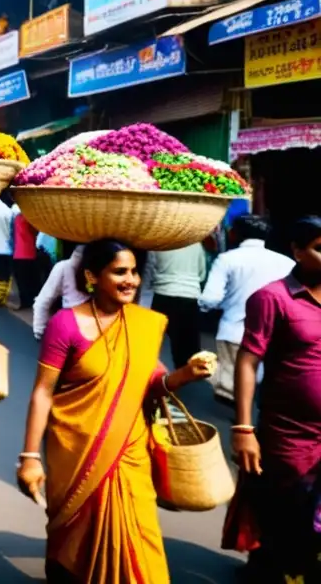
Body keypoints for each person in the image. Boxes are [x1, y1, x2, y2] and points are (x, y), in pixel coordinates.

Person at [17, 239, 213, 583]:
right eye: (120, 271)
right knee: (74, 546)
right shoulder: (66, 324)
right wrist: (30, 456)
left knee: (140, 542)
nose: (131, 280)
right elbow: (43, 392)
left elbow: (152, 382)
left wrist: (185, 374)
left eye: (134, 271)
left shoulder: (142, 324)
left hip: (129, 452)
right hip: (73, 451)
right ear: (92, 276)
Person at [232, 216, 321, 583]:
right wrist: (243, 428)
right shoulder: (273, 298)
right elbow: (248, 360)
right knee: (286, 514)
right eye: (319, 247)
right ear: (297, 251)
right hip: (289, 435)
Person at [199, 215, 294, 402]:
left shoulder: (227, 259)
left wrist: (215, 305)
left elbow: (210, 299)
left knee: (231, 389)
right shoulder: (286, 263)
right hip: (273, 335)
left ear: (235, 234)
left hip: (233, 332)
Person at [144, 242, 207, 369]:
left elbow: (148, 274)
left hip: (162, 295)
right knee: (187, 348)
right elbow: (202, 275)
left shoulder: (157, 244)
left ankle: (155, 376)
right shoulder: (197, 245)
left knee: (154, 344)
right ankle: (185, 380)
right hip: (189, 296)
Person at [31, 244, 86, 341]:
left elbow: (43, 300)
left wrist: (39, 331)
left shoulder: (64, 266)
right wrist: (39, 330)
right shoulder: (64, 267)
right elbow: (43, 300)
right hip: (74, 321)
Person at [11, 205, 41, 310]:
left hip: (18, 253)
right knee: (32, 280)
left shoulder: (18, 217)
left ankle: (25, 302)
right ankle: (32, 301)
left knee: (22, 281)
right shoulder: (31, 219)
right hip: (30, 253)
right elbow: (36, 232)